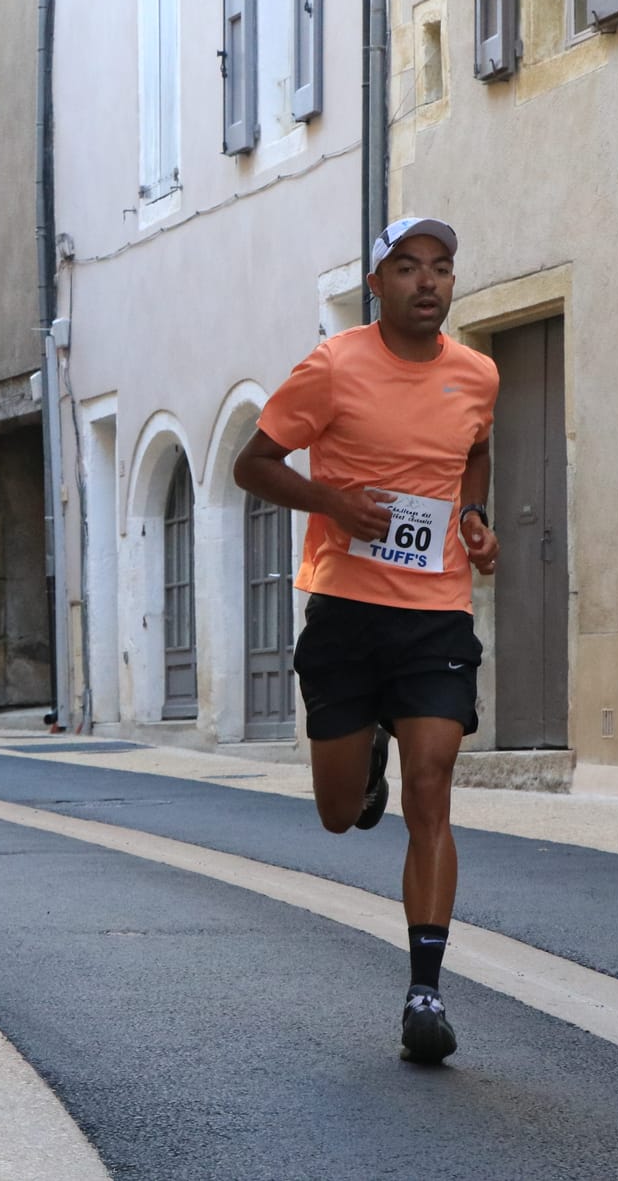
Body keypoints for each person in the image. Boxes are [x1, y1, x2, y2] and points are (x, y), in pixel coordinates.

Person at [233, 217, 499, 1064]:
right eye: (408, 267)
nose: (428, 281)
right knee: (339, 813)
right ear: (377, 284)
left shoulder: (478, 373)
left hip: (436, 613)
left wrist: (473, 515)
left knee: (434, 784)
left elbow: (476, 450)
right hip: (347, 609)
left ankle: (426, 990)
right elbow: (252, 464)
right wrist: (335, 503)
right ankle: (369, 749)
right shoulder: (334, 366)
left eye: (441, 267)